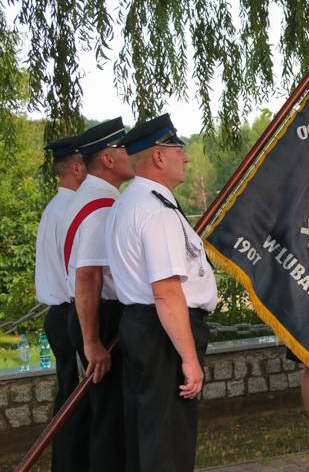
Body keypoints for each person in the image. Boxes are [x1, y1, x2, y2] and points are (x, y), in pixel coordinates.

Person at [105, 114, 217, 472]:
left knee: (147, 434)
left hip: (143, 325)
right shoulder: (156, 211)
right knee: (168, 443)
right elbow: (167, 291)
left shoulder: (128, 202)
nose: (185, 158)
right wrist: (188, 357)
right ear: (158, 157)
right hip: (164, 332)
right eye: (179, 150)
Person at [63, 118, 133, 471]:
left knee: (107, 416)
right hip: (102, 317)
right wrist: (92, 341)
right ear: (107, 158)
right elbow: (88, 275)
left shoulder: (92, 197)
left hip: (97, 314)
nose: (130, 154)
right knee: (110, 420)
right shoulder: (100, 206)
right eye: (123, 148)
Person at [34, 133, 89, 472]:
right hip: (72, 311)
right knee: (76, 405)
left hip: (63, 312)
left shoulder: (56, 207)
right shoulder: (70, 209)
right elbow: (78, 275)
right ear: (76, 167)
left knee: (70, 398)